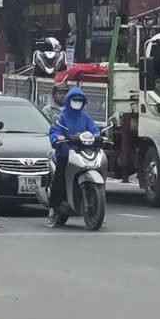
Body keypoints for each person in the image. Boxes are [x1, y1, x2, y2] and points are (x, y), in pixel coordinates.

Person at [47, 86, 100, 226]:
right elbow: (54, 131)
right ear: (69, 101)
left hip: (83, 152)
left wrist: (97, 136)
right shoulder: (61, 116)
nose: (77, 102)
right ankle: (54, 207)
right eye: (74, 100)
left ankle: (95, 205)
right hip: (65, 152)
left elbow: (94, 130)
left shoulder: (86, 117)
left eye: (79, 100)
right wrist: (58, 138)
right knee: (60, 177)